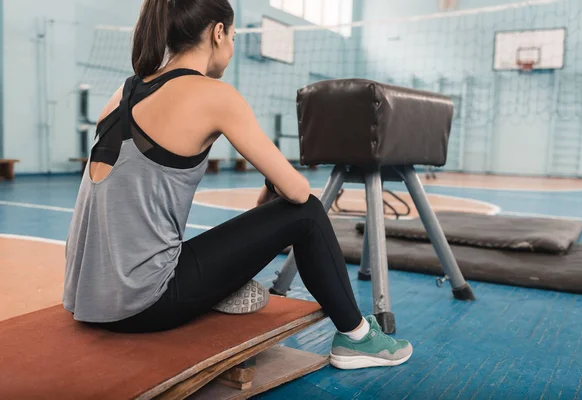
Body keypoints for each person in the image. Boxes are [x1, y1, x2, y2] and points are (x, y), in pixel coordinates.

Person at [63, 0, 412, 370]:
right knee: (308, 213)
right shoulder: (215, 95)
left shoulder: (125, 90)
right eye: (231, 35)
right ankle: (357, 337)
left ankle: (217, 290)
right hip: (142, 304)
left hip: (86, 296)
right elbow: (296, 194)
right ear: (218, 33)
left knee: (275, 217)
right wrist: (277, 191)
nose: (230, 46)